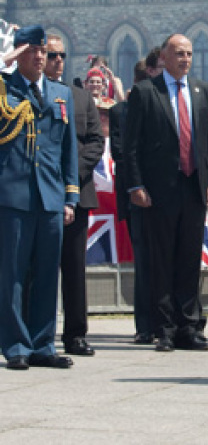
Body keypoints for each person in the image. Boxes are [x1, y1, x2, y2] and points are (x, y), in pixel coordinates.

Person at [124, 34, 208, 353]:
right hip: (159, 191)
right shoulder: (145, 92)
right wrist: (136, 185)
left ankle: (188, 326)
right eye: (179, 53)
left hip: (194, 187)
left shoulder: (202, 92)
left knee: (189, 260)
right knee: (161, 261)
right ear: (164, 57)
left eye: (189, 53)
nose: (185, 59)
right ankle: (163, 328)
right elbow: (131, 146)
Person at [1, 25, 79, 370]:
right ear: (18, 55)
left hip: (50, 196)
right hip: (14, 194)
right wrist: (5, 62)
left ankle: (43, 343)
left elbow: (68, 151)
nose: (38, 57)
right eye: (30, 51)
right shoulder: (5, 88)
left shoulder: (61, 94)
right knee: (13, 274)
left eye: (42, 51)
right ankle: (16, 345)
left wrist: (70, 197)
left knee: (48, 273)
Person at [45, 34, 104, 357]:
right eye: (52, 55)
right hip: (39, 193)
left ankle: (76, 334)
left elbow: (95, 141)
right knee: (36, 267)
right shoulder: (32, 96)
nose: (57, 61)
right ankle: (33, 331)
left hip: (75, 193)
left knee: (74, 267)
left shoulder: (80, 98)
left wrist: (69, 175)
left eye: (61, 55)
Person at [110, 52, 160, 344]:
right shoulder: (121, 112)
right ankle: (145, 324)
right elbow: (120, 152)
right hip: (137, 195)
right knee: (143, 261)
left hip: (165, 195)